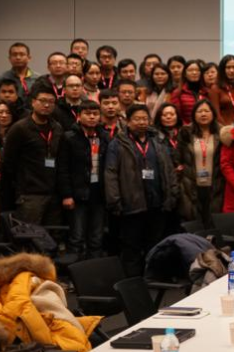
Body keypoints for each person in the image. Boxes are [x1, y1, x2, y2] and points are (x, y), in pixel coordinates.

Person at [105, 104, 179, 276]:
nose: (141, 122)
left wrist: (172, 195)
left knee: (155, 245)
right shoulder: (118, 143)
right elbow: (111, 173)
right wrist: (115, 201)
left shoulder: (157, 141)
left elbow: (169, 170)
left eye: (145, 118)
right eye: (137, 119)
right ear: (128, 121)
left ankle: (153, 278)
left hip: (157, 204)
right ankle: (133, 281)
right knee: (131, 247)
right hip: (131, 205)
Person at [1, 87, 65, 225]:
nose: (46, 105)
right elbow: (8, 162)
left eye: (51, 101)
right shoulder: (20, 128)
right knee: (29, 234)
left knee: (53, 234)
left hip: (53, 193)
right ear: (33, 102)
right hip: (29, 194)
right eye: (42, 100)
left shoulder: (57, 128)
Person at [56, 101, 107, 260]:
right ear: (79, 116)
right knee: (77, 237)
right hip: (77, 194)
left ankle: (95, 270)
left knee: (97, 237)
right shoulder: (69, 137)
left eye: (95, 114)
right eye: (87, 113)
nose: (92, 117)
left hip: (99, 193)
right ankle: (75, 271)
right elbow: (62, 168)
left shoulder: (104, 136)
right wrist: (66, 195)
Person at [176, 99, 222, 229]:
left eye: (207, 111)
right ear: (194, 115)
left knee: (213, 223)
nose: (203, 114)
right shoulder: (185, 133)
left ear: (213, 114)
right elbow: (178, 158)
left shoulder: (222, 133)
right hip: (191, 185)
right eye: (199, 111)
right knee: (194, 223)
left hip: (216, 185)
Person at [208, 55, 234, 126]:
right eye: (228, 67)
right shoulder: (215, 89)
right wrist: (226, 128)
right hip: (222, 127)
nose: (231, 70)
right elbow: (216, 114)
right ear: (222, 69)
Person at [0, 42, 35, 107]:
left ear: (29, 58)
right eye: (14, 54)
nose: (18, 57)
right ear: (9, 58)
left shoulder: (38, 79)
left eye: (22, 54)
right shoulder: (1, 78)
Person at [170, 59, 206, 125]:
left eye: (197, 70)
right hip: (186, 127)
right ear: (185, 74)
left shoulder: (206, 91)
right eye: (190, 70)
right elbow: (177, 115)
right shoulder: (178, 92)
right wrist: (187, 127)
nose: (194, 73)